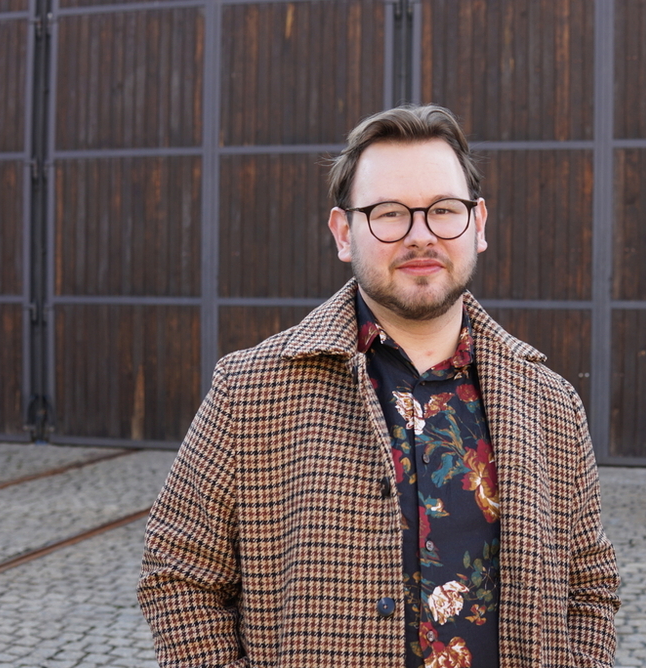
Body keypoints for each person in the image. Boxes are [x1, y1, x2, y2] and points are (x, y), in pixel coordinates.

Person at [138, 104, 619, 668]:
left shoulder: (550, 403)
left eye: (444, 210)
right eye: (389, 213)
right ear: (344, 233)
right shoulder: (249, 391)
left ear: (478, 224)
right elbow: (178, 575)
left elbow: (589, 587)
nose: (421, 235)